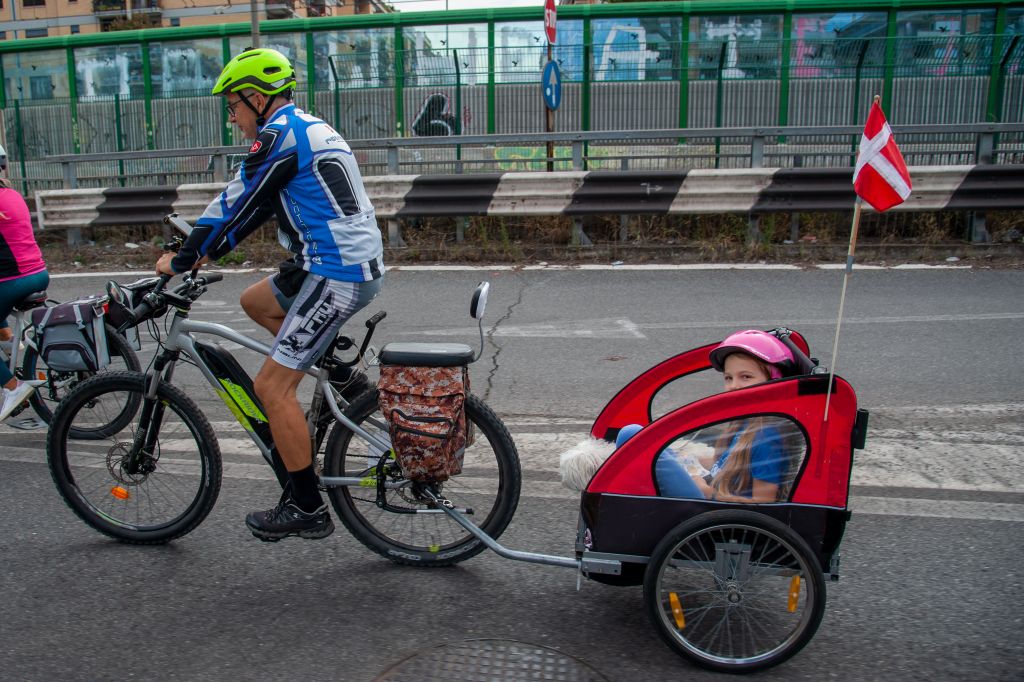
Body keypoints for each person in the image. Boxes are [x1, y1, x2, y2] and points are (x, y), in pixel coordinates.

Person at [155, 48, 385, 542]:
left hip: (336, 272)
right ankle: (343, 381)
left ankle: (306, 508)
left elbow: (238, 207)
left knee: (272, 388)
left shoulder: (279, 135)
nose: (232, 116)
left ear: (258, 98)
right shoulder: (300, 127)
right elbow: (246, 200)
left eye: (234, 106)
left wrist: (184, 260)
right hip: (332, 263)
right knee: (255, 302)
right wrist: (199, 245)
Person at [616, 330, 798, 503]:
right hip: (710, 493)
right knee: (641, 442)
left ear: (775, 383)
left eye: (746, 377)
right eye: (728, 378)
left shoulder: (766, 436)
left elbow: (765, 504)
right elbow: (723, 464)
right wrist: (689, 459)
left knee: (631, 435)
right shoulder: (746, 423)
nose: (734, 385)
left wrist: (706, 492)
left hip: (713, 510)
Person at [0, 143, 48, 421]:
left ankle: (13, 387)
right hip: (36, 273)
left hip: (15, 280)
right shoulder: (11, 193)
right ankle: (8, 340)